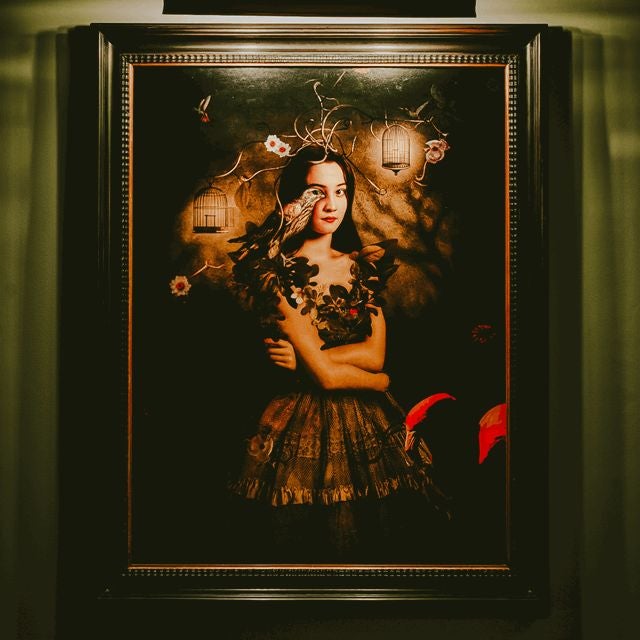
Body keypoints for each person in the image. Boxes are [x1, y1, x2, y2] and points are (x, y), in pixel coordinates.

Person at [227, 146, 449, 563]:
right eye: (316, 192)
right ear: (293, 199)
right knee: (310, 538)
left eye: (341, 191)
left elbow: (376, 355)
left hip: (370, 419)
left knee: (381, 537)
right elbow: (334, 378)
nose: (332, 205)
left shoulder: (363, 265)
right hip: (300, 420)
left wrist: (309, 361)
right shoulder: (275, 273)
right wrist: (374, 381)